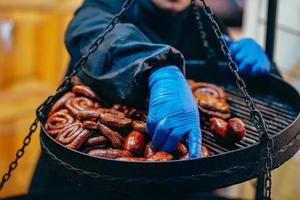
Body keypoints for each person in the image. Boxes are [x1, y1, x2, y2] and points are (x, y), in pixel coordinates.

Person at [30, 0, 279, 197]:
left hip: (170, 187)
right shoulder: (108, 5)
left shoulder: (203, 23)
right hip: (79, 181)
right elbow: (87, 28)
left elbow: (246, 87)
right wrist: (158, 69)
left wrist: (265, 69)